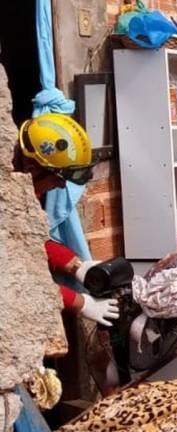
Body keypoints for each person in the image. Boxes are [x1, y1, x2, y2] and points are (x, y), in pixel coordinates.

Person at [16, 113, 119, 327]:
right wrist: (81, 302)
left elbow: (32, 241)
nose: (62, 186)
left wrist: (78, 266)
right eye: (59, 178)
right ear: (31, 170)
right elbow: (23, 277)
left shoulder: (26, 189)